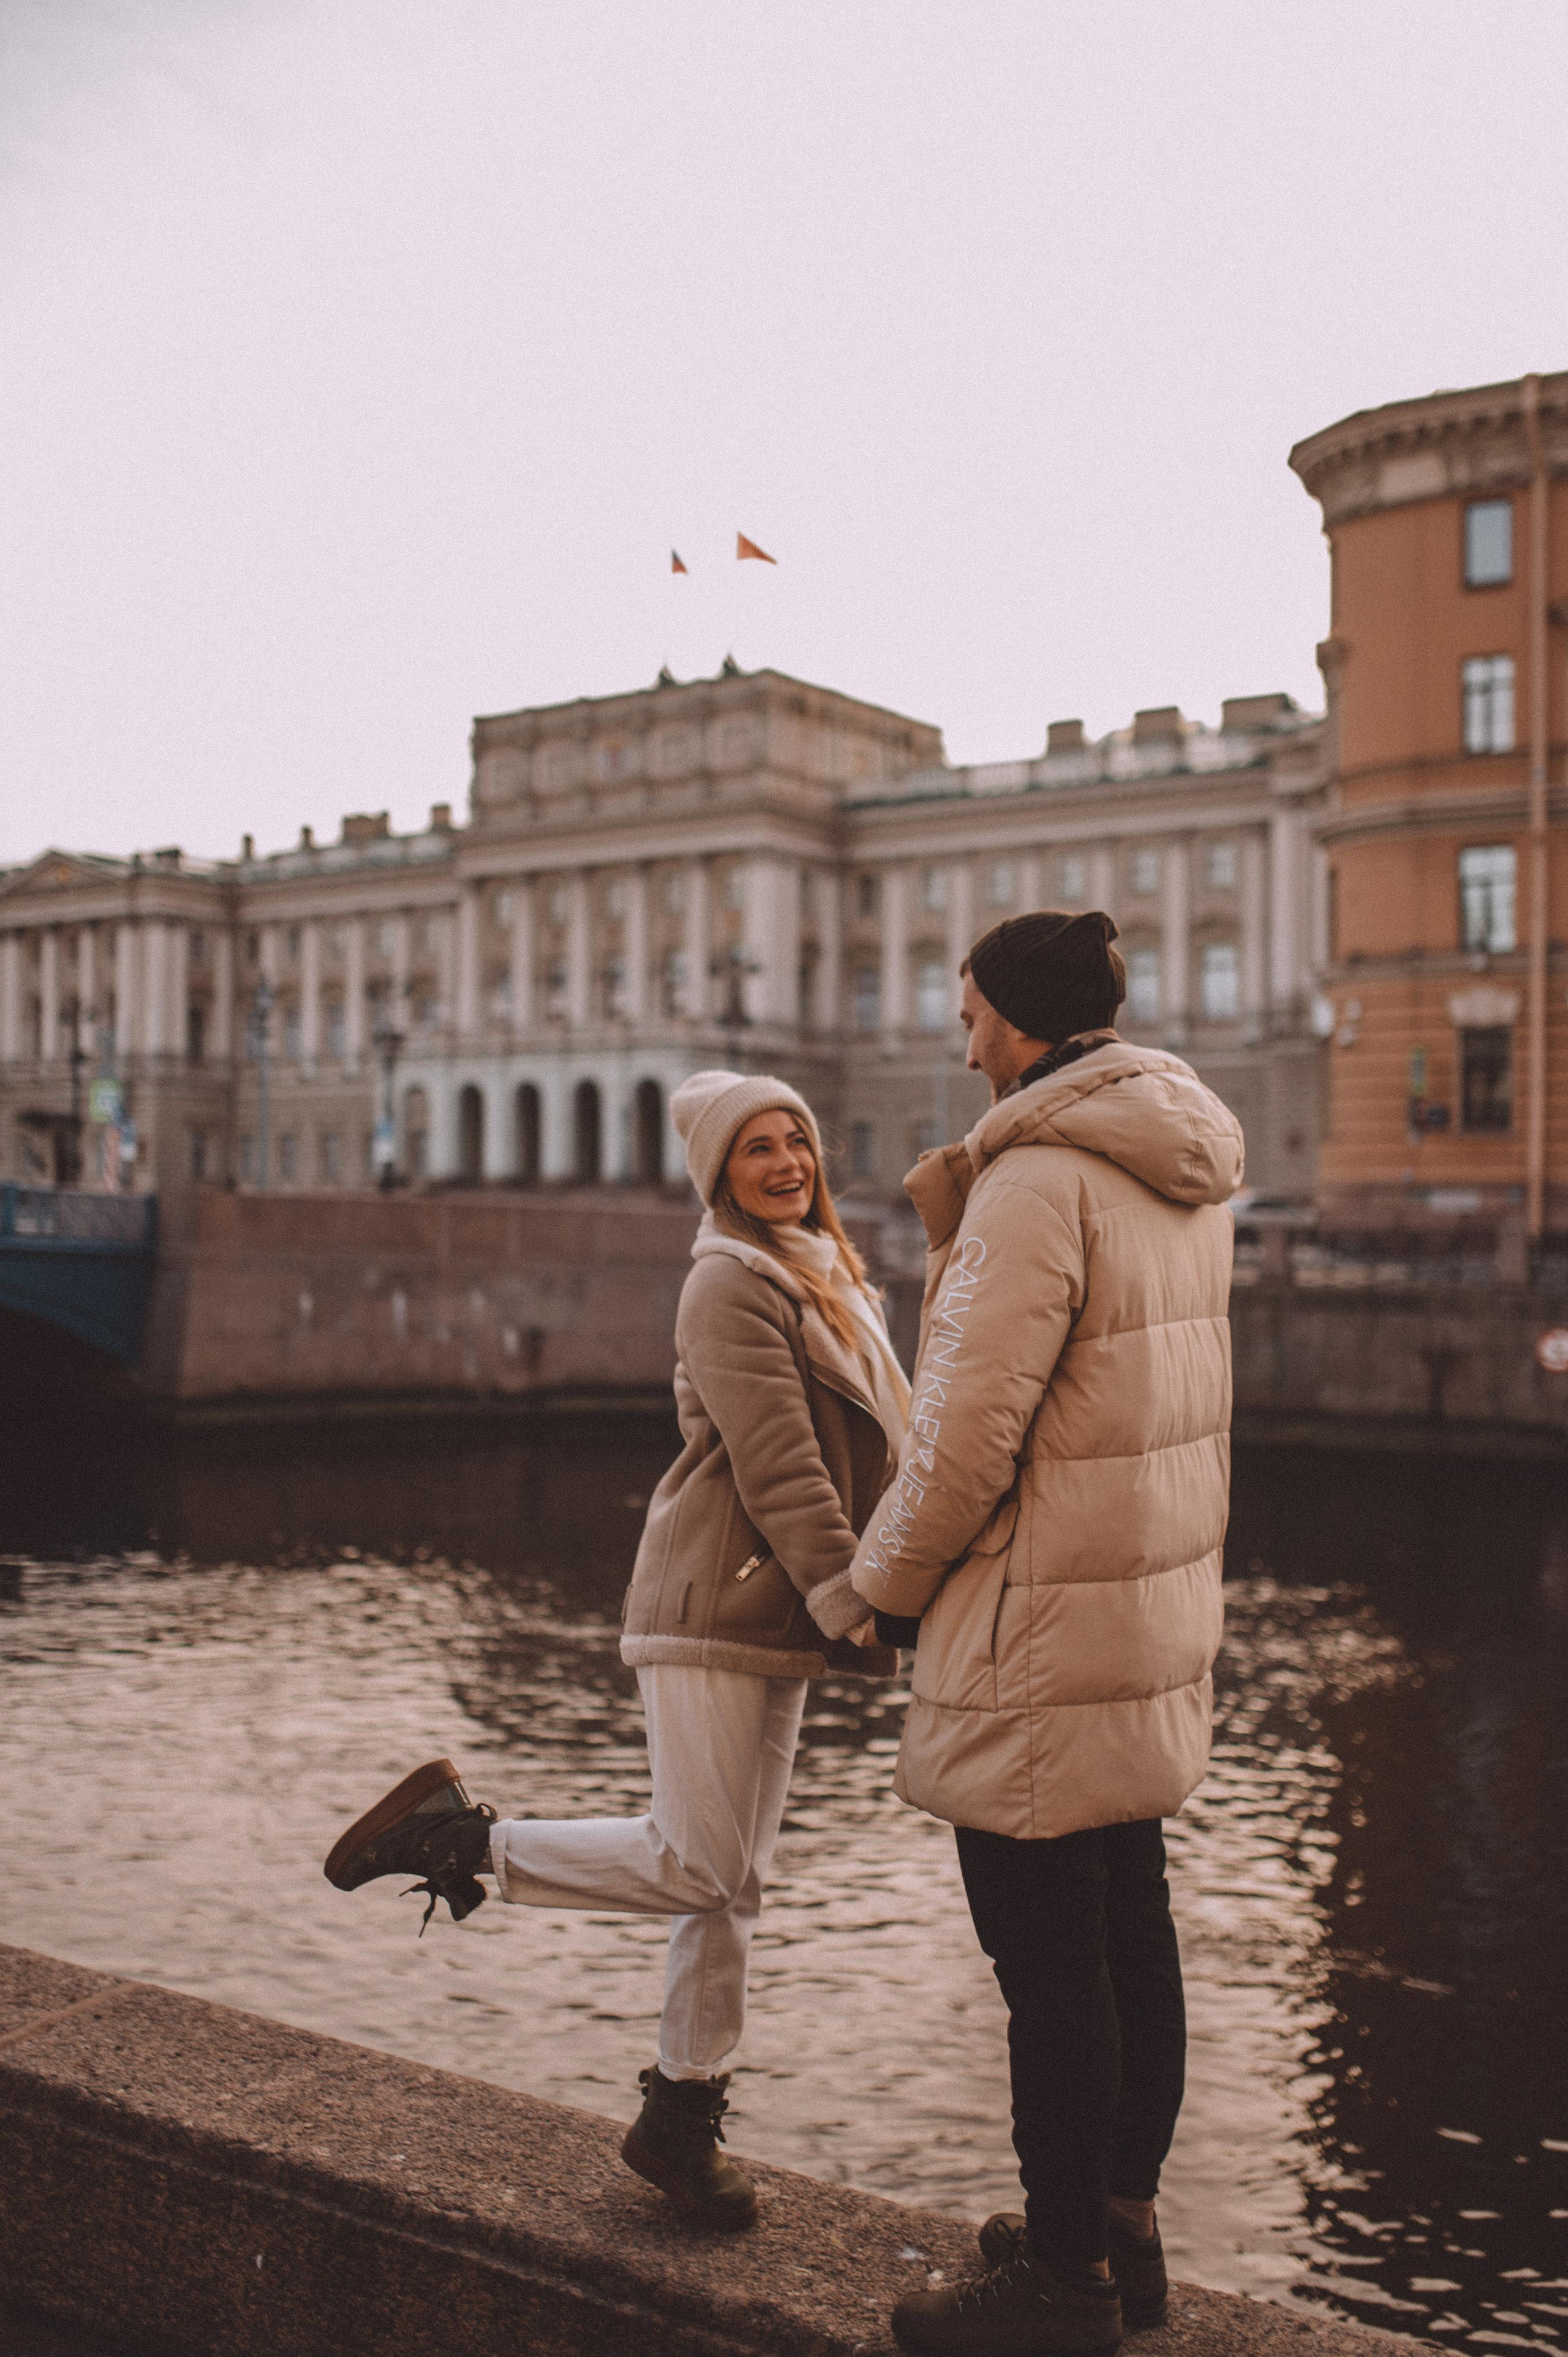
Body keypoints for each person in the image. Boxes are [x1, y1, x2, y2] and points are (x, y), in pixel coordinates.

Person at [323, 1070, 907, 2233]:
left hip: (778, 1607)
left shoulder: (832, 1276)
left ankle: (682, 2118)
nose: (787, 1162)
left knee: (733, 1885)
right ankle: (457, 1836)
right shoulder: (729, 1285)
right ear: (719, 1179)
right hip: (717, 1599)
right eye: (757, 1150)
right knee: (698, 1865)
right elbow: (782, 1466)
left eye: (797, 1140)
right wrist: (857, 1601)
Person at [851, 910, 1243, 2357]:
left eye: (967, 1018)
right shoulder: (1177, 1165)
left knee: (1047, 1974)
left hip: (1029, 1630)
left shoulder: (1033, 1179)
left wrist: (875, 1590)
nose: (961, 1046)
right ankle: (1121, 2231)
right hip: (1140, 1614)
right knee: (1130, 1933)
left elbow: (958, 1442)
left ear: (1017, 1022)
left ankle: (1060, 2284)